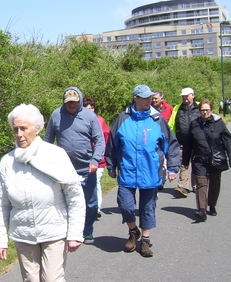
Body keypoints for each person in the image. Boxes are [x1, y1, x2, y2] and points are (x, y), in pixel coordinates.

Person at [0, 104, 85, 282]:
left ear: (37, 129)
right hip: (23, 234)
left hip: (55, 229)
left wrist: (75, 233)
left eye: (24, 128)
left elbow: (74, 195)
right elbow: (0, 203)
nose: (19, 134)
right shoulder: (7, 162)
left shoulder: (55, 154)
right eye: (15, 129)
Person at [106, 85, 180, 257]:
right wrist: (110, 166)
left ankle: (145, 241)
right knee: (125, 205)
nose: (149, 101)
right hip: (127, 171)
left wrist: (173, 167)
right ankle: (133, 231)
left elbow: (171, 143)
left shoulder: (157, 120)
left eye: (150, 98)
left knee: (147, 208)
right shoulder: (123, 119)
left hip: (151, 172)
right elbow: (112, 144)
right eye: (145, 98)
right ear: (135, 99)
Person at [44, 87, 104, 244]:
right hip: (64, 169)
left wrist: (94, 160)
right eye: (68, 103)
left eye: (75, 103)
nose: (71, 105)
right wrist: (45, 161)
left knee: (90, 202)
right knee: (65, 202)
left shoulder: (89, 116)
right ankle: (69, 231)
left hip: (86, 168)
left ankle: (87, 230)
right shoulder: (56, 115)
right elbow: (48, 140)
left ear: (80, 101)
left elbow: (100, 140)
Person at [181, 100, 231, 221]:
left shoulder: (219, 123)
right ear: (199, 111)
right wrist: (185, 161)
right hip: (199, 159)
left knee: (215, 183)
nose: (204, 112)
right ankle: (201, 209)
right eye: (202, 110)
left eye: (207, 110)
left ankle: (212, 205)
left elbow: (228, 141)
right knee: (201, 183)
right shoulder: (194, 124)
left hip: (216, 159)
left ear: (211, 110)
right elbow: (188, 144)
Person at [168, 87, 200, 198]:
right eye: (183, 96)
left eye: (187, 96)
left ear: (193, 95)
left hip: (197, 141)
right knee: (184, 163)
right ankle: (183, 186)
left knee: (197, 163)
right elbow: (171, 124)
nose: (185, 98)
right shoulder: (177, 108)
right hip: (182, 141)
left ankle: (196, 185)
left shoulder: (200, 107)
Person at [82, 97, 110, 219]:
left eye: (92, 107)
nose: (90, 110)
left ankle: (96, 208)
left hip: (99, 159)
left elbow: (105, 139)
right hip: (84, 159)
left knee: (96, 182)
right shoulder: (79, 121)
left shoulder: (100, 121)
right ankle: (85, 208)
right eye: (87, 108)